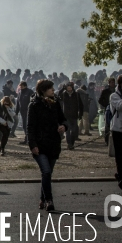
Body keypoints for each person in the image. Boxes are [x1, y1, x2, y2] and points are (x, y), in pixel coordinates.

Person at [27, 79, 68, 212]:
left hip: (53, 143)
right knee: (46, 171)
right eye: (50, 88)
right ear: (43, 90)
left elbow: (63, 119)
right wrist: (32, 145)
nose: (53, 90)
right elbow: (30, 127)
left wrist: (64, 127)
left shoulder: (55, 103)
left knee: (47, 174)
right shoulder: (34, 105)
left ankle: (42, 199)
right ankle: (49, 200)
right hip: (40, 144)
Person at [59, 82, 84, 150]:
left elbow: (80, 104)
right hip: (66, 115)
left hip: (74, 115)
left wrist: (80, 113)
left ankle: (72, 143)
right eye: (68, 87)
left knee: (74, 130)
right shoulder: (64, 94)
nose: (69, 88)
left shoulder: (76, 94)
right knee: (67, 130)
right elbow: (58, 96)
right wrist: (62, 89)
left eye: (70, 87)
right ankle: (69, 144)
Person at [99, 77, 116, 143]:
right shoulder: (105, 91)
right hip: (108, 109)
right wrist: (106, 105)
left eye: (114, 82)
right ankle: (107, 140)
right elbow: (100, 100)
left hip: (115, 109)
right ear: (109, 83)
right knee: (107, 124)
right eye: (112, 82)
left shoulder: (116, 90)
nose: (113, 83)